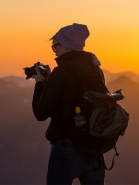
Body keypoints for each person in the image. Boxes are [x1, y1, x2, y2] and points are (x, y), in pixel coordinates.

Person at [32, 23, 106, 184]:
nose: (54, 49)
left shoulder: (62, 72)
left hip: (66, 149)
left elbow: (41, 112)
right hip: (94, 147)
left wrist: (40, 83)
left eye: (56, 45)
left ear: (67, 46)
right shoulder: (96, 70)